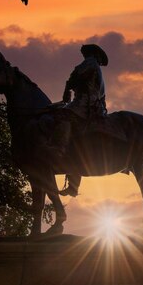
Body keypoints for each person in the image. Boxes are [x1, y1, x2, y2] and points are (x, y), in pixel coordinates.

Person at [55, 43, 109, 197]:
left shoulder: (90, 63)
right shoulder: (93, 65)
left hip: (86, 103)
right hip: (88, 102)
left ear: (93, 54)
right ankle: (73, 181)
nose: (85, 56)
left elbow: (76, 75)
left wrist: (67, 87)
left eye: (88, 53)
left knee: (63, 116)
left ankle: (60, 149)